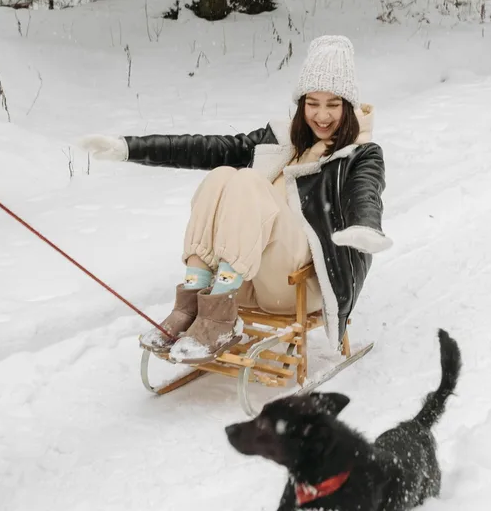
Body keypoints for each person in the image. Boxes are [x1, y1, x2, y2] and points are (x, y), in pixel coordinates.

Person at [78, 35, 392, 364]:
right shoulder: (280, 141)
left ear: (349, 106)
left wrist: (365, 227)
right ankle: (193, 300)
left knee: (246, 181)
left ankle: (220, 311)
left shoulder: (360, 154)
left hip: (301, 285)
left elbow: (366, 191)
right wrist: (128, 148)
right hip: (249, 277)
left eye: (333, 104)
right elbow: (204, 147)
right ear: (301, 104)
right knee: (222, 174)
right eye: (313, 103)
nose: (322, 115)